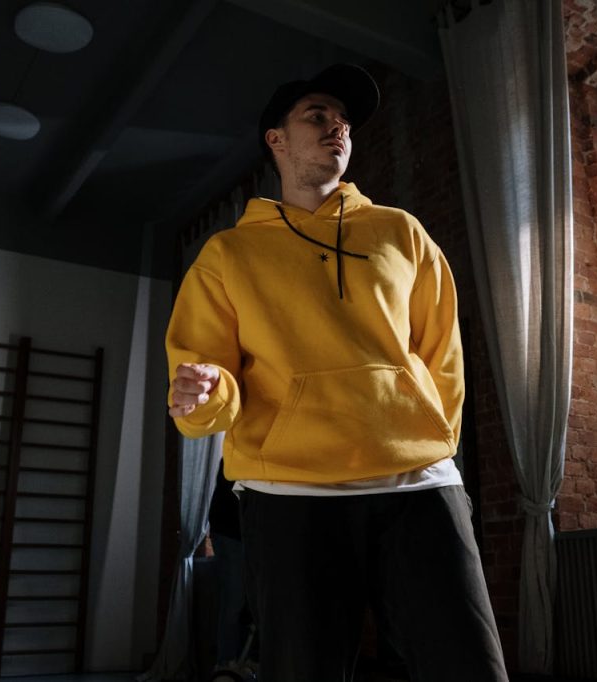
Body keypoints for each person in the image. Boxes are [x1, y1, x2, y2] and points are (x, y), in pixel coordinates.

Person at [166, 63, 508, 682]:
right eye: (317, 116)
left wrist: (434, 433)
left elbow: (443, 353)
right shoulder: (229, 254)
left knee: (471, 667)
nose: (337, 129)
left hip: (418, 487)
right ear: (277, 140)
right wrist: (204, 397)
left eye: (343, 122)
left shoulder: (400, 232)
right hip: (290, 496)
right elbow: (207, 369)